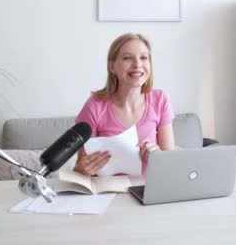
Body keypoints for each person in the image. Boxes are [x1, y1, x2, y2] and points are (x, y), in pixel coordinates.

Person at [74, 33, 175, 176]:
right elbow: (81, 165)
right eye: (127, 58)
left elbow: (171, 166)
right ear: (112, 66)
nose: (137, 64)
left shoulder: (160, 100)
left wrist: (157, 158)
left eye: (144, 58)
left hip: (148, 192)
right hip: (106, 194)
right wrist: (83, 169)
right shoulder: (94, 106)